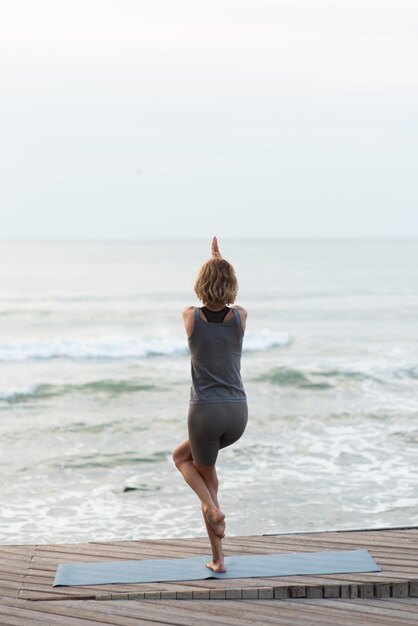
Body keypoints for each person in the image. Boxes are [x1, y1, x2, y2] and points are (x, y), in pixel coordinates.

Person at [172, 236, 248, 573]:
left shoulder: (190, 316)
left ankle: (217, 553)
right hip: (237, 413)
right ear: (232, 283)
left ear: (200, 283)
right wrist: (220, 263)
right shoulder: (241, 317)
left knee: (192, 471)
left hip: (205, 413)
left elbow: (203, 301)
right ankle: (218, 556)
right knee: (203, 472)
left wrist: (211, 266)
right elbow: (228, 298)